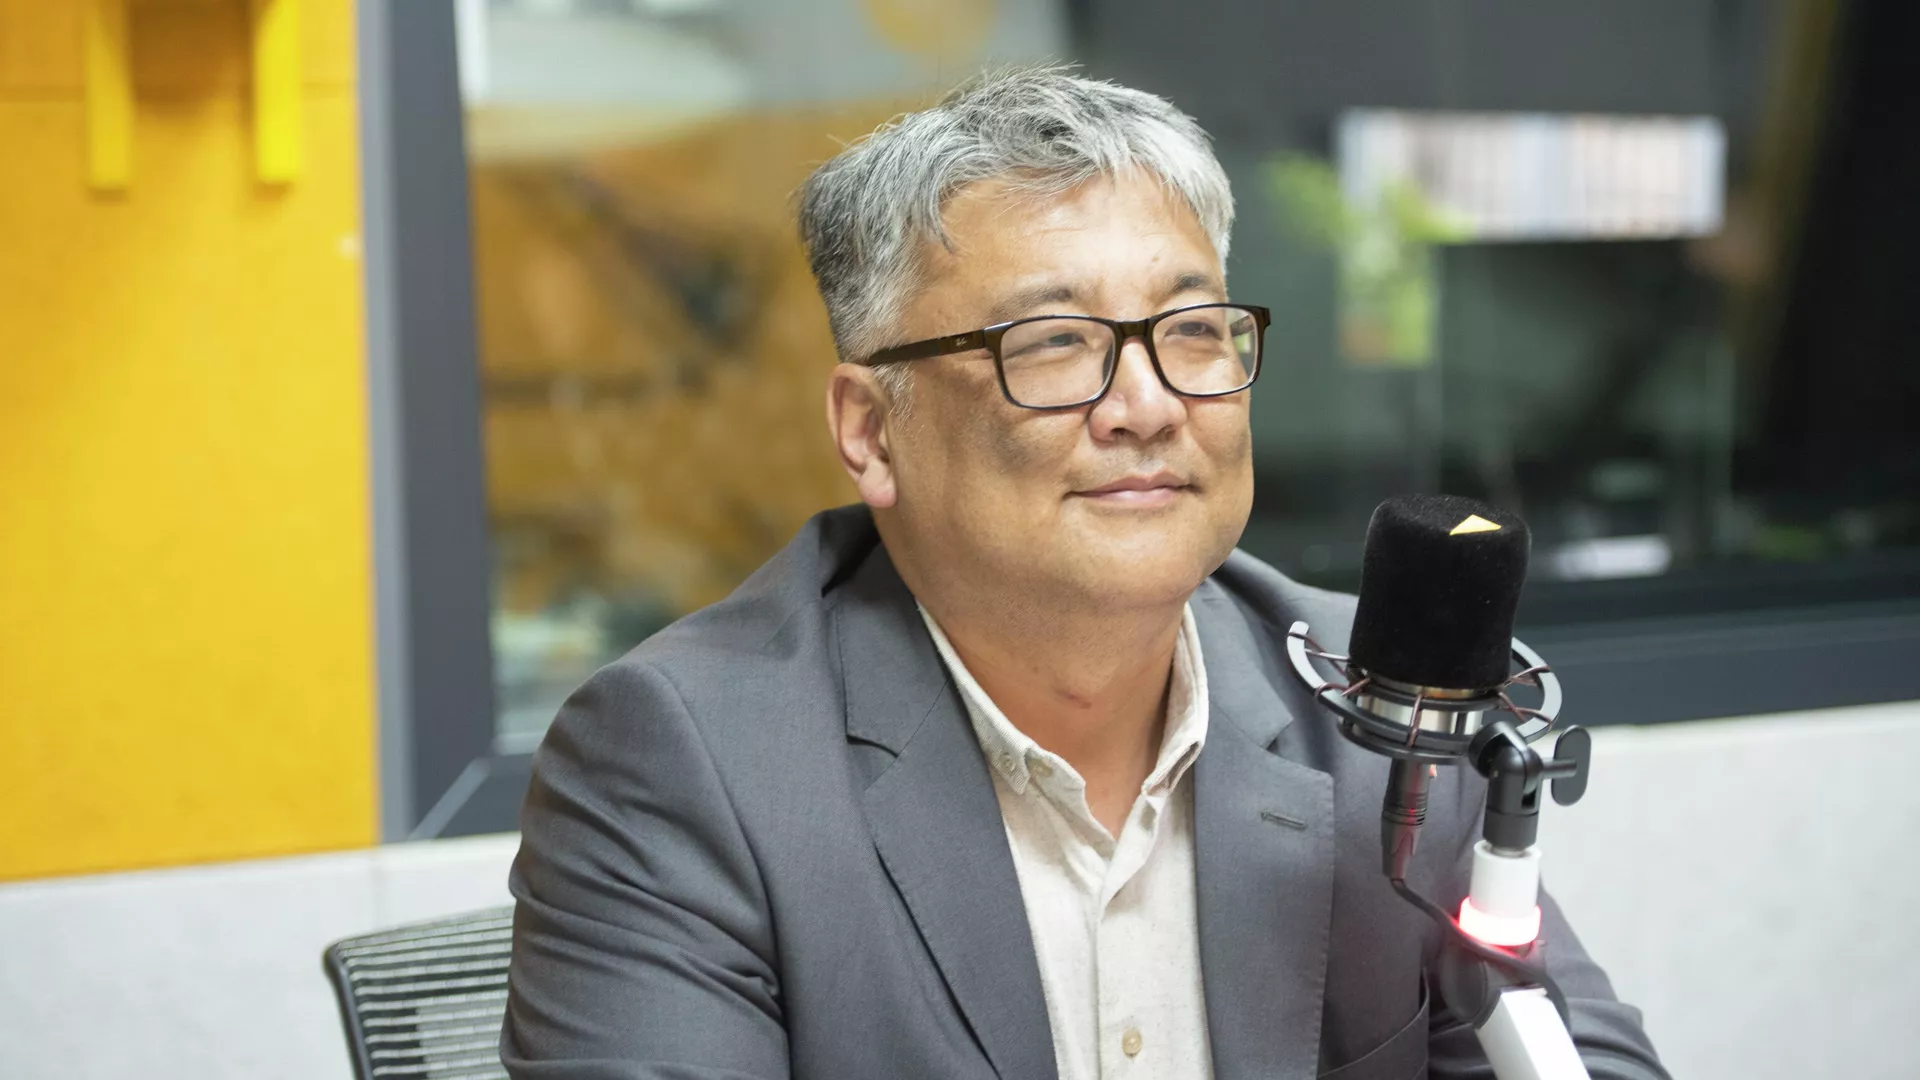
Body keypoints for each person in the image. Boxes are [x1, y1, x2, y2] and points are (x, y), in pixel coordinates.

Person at [501, 67, 1666, 1080]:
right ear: (871, 430)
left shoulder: (1376, 713)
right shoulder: (691, 763)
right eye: (1055, 343)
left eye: (1193, 330)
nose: (1148, 407)